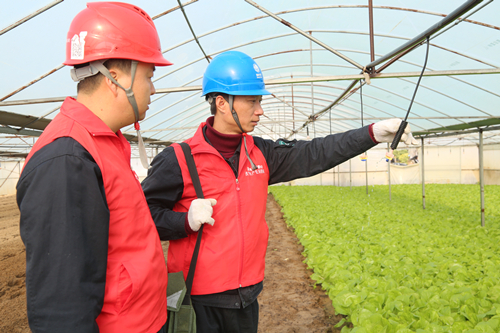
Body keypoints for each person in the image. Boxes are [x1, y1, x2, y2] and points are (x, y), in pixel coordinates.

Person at [141, 50, 418, 333]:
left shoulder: (260, 153)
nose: (260, 110)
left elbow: (316, 152)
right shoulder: (179, 159)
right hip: (198, 300)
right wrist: (183, 221)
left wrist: (372, 133)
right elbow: (141, 218)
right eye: (252, 101)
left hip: (247, 295)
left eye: (259, 101)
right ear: (222, 103)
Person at [16, 3, 173, 332]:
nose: (153, 88)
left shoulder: (104, 143)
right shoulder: (66, 160)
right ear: (116, 78)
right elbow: (62, 309)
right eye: (149, 75)